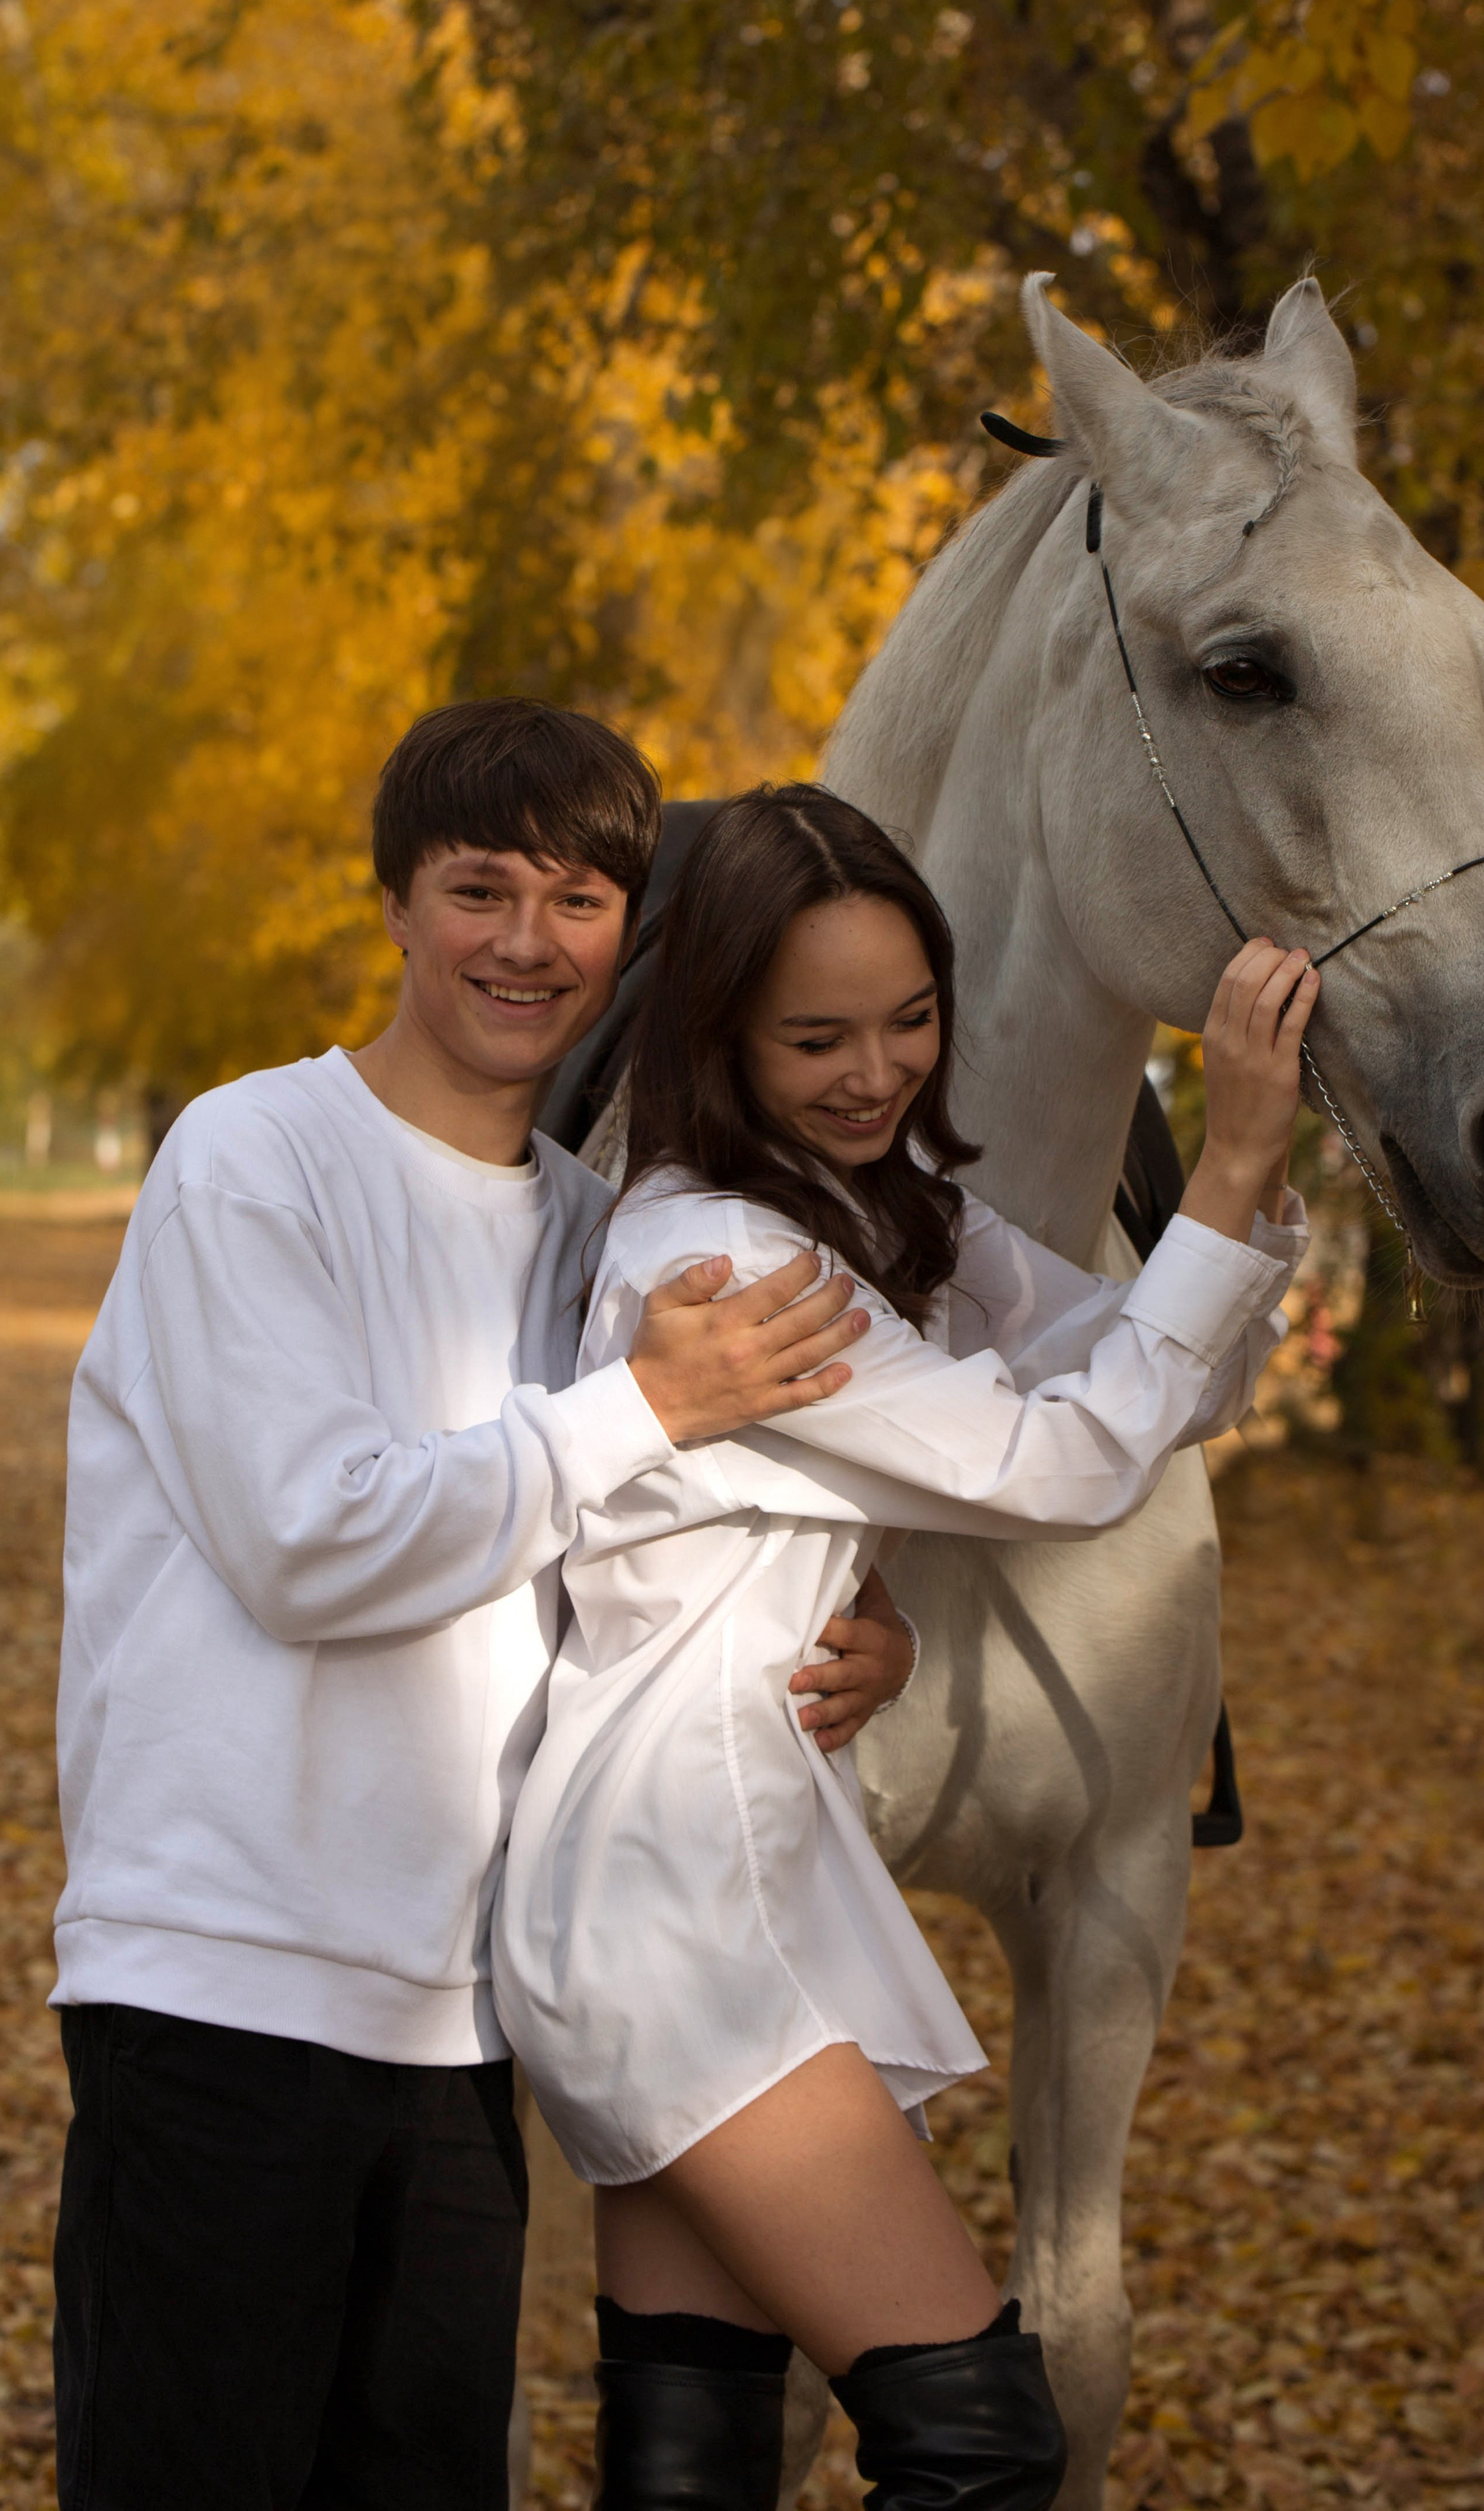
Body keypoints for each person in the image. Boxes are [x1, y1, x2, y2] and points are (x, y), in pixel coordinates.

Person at [49, 704, 918, 2511]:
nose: (527, 942)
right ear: (395, 905)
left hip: (464, 2015)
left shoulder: (607, 1234)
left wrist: (858, 1621)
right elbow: (316, 1543)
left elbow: (662, 1552)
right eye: (479, 890)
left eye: (579, 898)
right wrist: (649, 1405)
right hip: (224, 1987)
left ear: (629, 936)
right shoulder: (253, 1158)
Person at [493, 783, 1318, 2511]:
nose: (876, 1073)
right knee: (981, 2440)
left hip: (713, 1870)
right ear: (721, 1030)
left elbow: (1160, 1376)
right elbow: (1071, 1462)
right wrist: (1223, 1166)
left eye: (909, 1021)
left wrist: (1251, 1199)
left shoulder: (857, 1215)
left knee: (694, 2456)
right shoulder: (731, 1262)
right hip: (678, 1894)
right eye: (817, 1037)